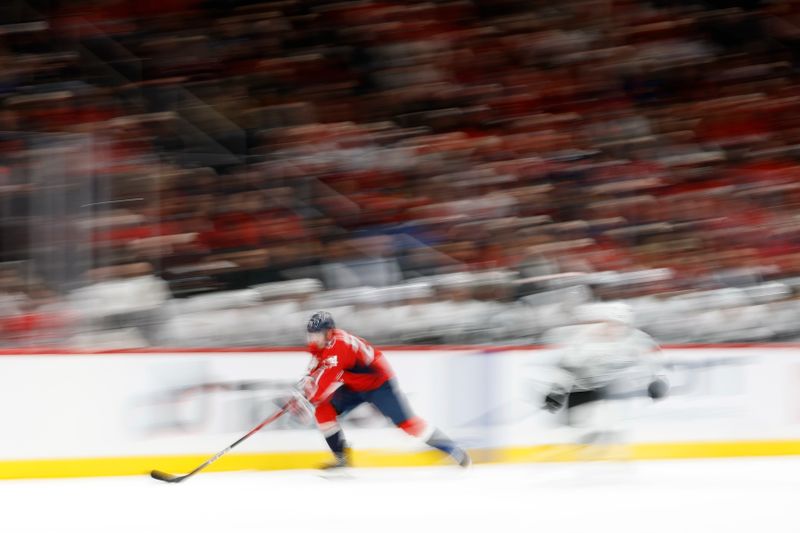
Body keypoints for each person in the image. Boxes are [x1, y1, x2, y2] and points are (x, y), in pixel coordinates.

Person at [292, 310, 471, 469]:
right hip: (354, 386)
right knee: (324, 410)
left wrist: (307, 397)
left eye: (317, 335)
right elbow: (316, 367)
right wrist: (306, 382)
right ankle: (342, 458)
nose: (313, 339)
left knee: (409, 425)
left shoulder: (340, 346)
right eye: (311, 335)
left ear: (329, 333)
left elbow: (324, 381)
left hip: (379, 385)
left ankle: (452, 448)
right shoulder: (322, 344)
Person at [541, 301, 668, 453]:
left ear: (627, 325)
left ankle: (607, 451)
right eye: (611, 324)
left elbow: (653, 356)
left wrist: (657, 379)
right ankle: (578, 447)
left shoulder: (636, 338)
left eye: (620, 325)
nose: (614, 329)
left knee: (610, 421)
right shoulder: (586, 339)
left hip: (608, 387)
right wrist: (557, 390)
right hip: (582, 385)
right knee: (577, 427)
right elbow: (567, 365)